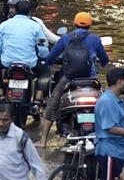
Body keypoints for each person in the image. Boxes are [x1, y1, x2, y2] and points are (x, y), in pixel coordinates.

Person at [41, 11, 111, 145]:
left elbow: (51, 56)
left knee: (52, 104)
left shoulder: (66, 38)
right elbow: (105, 60)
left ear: (74, 23)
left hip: (69, 78)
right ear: (90, 25)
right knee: (105, 103)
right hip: (91, 79)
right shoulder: (95, 39)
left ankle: (43, 140)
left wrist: (47, 63)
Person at [0, 0, 48, 98]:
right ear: (30, 12)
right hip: (30, 63)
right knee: (45, 70)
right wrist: (43, 57)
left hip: (7, 62)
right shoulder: (36, 26)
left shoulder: (4, 25)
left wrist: (0, 54)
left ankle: (0, 93)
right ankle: (38, 98)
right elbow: (42, 48)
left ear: (15, 10)